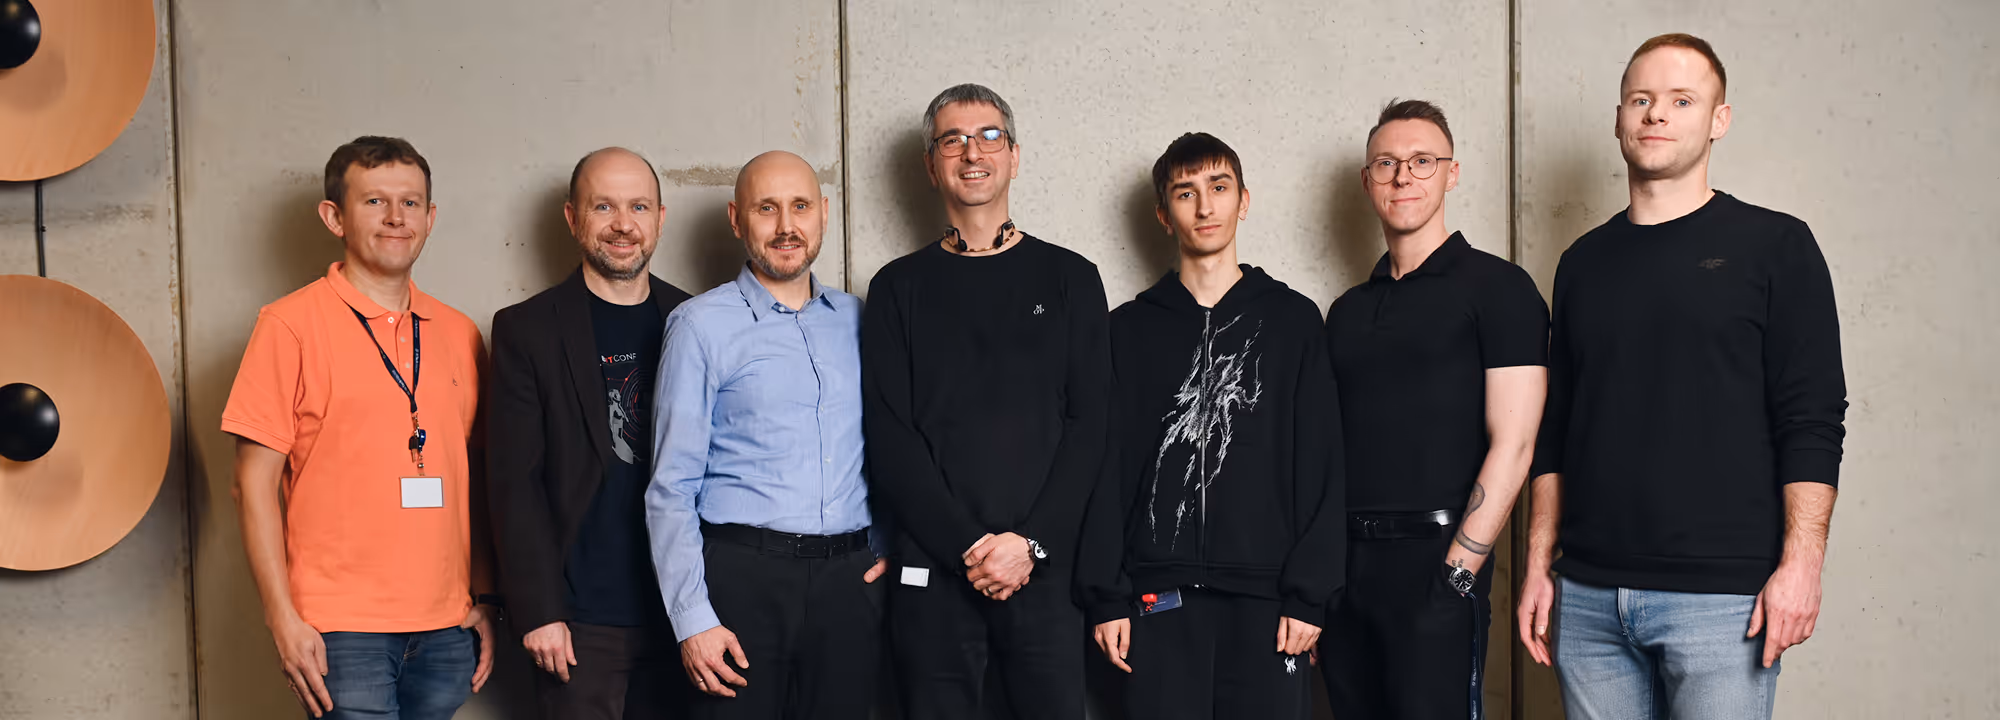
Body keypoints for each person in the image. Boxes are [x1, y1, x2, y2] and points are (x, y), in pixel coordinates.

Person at [1520, 34, 1847, 720]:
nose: (1656, 115)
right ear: (1618, 119)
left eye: (1680, 100)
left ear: (1718, 119)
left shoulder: (1775, 246)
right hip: (1588, 596)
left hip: (1723, 599)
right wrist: (1539, 563)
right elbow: (1558, 425)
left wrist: (1802, 566)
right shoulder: (1582, 262)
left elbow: (1811, 417)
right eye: (1640, 99)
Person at [222, 136, 496, 719]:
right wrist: (282, 618)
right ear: (334, 217)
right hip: (340, 632)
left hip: (448, 631)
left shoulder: (458, 333)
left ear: (430, 217)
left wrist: (486, 598)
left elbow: (478, 479)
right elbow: (252, 486)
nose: (397, 218)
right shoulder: (289, 326)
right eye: (374, 202)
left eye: (412, 203)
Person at [862, 83, 1111, 719]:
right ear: (931, 164)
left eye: (988, 136)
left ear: (1015, 156)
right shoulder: (897, 288)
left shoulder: (1070, 278)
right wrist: (969, 547)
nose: (971, 151)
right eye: (952, 139)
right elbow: (891, 437)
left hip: (1044, 573)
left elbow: (1090, 427)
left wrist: (1028, 546)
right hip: (935, 575)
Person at [1078, 132, 1345, 720]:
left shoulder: (1293, 320)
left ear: (1243, 201)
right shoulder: (1126, 331)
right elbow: (1103, 470)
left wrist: (1310, 596)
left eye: (1219, 188)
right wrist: (1106, 598)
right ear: (1162, 213)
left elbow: (1322, 464)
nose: (1205, 207)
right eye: (1186, 192)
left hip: (1270, 603)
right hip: (1156, 600)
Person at [1318, 100, 1550, 719]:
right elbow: (1326, 452)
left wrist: (1458, 573)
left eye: (1422, 161)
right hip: (1345, 573)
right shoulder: (1344, 313)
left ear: (1452, 173)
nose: (1403, 177)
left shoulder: (1499, 290)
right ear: (1368, 181)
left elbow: (1516, 443)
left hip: (1439, 564)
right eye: (1387, 163)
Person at [647, 151, 891, 720]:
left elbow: (893, 446)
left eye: (800, 206)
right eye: (767, 208)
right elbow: (670, 488)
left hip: (849, 584)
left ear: (823, 214)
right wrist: (693, 620)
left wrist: (889, 539)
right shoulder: (699, 326)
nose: (786, 226)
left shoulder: (862, 320)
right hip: (741, 582)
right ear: (737, 219)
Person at [488, 147, 693, 718]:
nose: (623, 224)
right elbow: (514, 484)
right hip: (577, 623)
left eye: (638, 207)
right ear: (572, 217)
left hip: (683, 616)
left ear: (660, 218)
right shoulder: (526, 330)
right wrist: (537, 610)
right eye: (603, 206)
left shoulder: (696, 320)